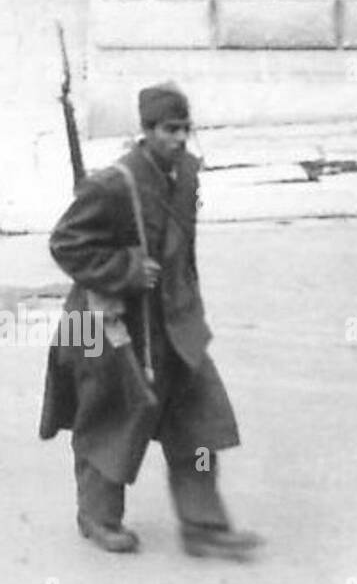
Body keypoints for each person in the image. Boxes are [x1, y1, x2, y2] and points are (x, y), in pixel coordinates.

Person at [40, 84, 262, 560]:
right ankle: (97, 517)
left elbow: (183, 253)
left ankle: (203, 525)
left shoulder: (186, 174)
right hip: (108, 322)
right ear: (146, 131)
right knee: (110, 418)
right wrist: (125, 269)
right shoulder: (114, 184)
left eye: (185, 129)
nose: (180, 139)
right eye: (169, 130)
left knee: (201, 421)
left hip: (175, 324)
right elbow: (65, 244)